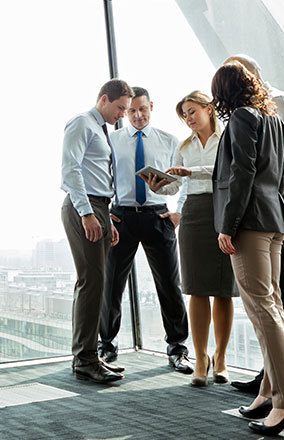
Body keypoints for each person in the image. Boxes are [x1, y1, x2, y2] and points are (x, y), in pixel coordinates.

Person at [211, 62, 284, 436]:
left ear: (223, 92)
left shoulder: (239, 118)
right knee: (274, 306)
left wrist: (227, 225)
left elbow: (242, 174)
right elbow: (276, 175)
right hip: (274, 221)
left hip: (249, 223)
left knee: (262, 309)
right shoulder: (273, 120)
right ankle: (268, 393)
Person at [98, 86, 193, 375]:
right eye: (131, 111)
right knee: (111, 284)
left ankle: (177, 348)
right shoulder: (111, 140)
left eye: (142, 109)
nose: (137, 115)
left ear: (151, 106)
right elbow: (102, 178)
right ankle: (107, 345)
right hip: (121, 217)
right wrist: (106, 213)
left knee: (169, 284)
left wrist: (178, 211)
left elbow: (183, 179)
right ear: (124, 112)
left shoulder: (169, 141)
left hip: (157, 215)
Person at [144, 91, 236, 386]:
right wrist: (160, 187)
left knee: (223, 289)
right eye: (184, 114)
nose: (188, 118)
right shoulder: (183, 146)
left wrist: (191, 171)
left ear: (209, 109)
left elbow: (230, 173)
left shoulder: (227, 140)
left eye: (192, 111)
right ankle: (200, 358)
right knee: (196, 288)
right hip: (194, 213)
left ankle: (220, 357)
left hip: (223, 210)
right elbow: (177, 187)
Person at [61, 79, 132, 384]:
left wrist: (107, 219)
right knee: (91, 282)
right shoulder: (81, 123)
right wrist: (88, 213)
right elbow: (71, 169)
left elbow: (100, 173)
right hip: (85, 207)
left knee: (97, 283)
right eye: (120, 108)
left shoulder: (101, 129)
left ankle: (89, 354)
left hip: (101, 208)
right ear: (104, 99)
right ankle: (85, 360)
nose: (123, 115)